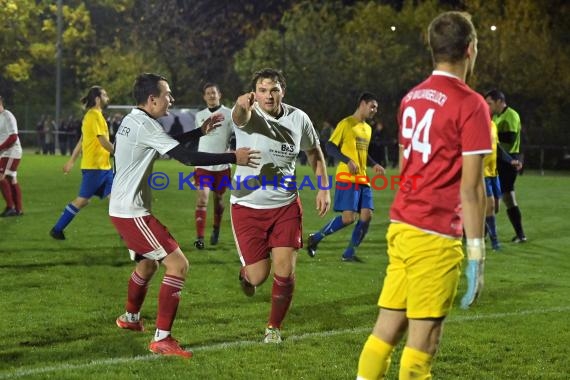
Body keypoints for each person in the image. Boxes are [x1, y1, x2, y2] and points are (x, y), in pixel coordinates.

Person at [357, 12, 492, 379]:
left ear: (433, 50)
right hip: (434, 236)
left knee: (386, 332)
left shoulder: (412, 97)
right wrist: (477, 255)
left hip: (402, 227)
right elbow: (472, 187)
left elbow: (405, 167)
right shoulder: (471, 104)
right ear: (470, 49)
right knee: (422, 347)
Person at [110, 72, 258, 358]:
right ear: (152, 100)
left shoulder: (134, 120)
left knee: (147, 266)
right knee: (178, 265)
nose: (172, 100)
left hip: (122, 209)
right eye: (167, 94)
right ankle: (162, 339)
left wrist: (199, 133)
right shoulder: (144, 124)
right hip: (132, 212)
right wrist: (232, 157)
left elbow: (168, 143)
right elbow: (187, 158)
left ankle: (130, 319)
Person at [231, 68, 330, 344]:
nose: (268, 96)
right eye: (262, 90)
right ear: (254, 94)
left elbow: (314, 151)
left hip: (286, 206)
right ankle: (246, 274)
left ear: (282, 91)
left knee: (285, 270)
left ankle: (273, 327)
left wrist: (324, 187)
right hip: (247, 207)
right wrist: (240, 106)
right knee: (258, 276)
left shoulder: (299, 118)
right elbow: (239, 117)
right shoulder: (248, 113)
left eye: (273, 89)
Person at [306, 92, 384, 262]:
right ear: (362, 104)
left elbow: (363, 153)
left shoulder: (368, 129)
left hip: (363, 178)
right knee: (348, 218)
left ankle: (349, 254)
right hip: (347, 177)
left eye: (376, 108)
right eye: (372, 106)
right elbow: (330, 146)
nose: (374, 110)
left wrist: (374, 164)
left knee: (367, 216)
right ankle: (315, 238)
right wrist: (347, 160)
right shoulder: (346, 123)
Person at [49, 86, 114, 240]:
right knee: (82, 201)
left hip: (104, 167)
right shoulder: (93, 116)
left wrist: (71, 161)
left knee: (116, 200)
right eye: (105, 95)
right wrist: (117, 151)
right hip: (95, 168)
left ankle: (127, 234)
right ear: (98, 99)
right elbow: (102, 140)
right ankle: (57, 229)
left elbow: (82, 140)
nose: (107, 97)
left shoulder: (93, 115)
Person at [192, 82, 234, 250]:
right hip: (203, 165)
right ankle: (200, 238)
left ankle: (216, 229)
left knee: (219, 201)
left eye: (213, 93)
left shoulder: (229, 114)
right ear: (204, 97)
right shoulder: (199, 115)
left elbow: (236, 135)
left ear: (219, 95)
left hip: (222, 166)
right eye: (208, 93)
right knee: (202, 200)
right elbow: (197, 137)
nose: (211, 95)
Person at [484, 89, 527, 243]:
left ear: (499, 101)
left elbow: (510, 137)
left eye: (489, 103)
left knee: (497, 198)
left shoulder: (512, 115)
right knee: (505, 198)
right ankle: (520, 235)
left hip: (508, 161)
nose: (487, 106)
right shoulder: (496, 116)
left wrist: (488, 134)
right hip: (499, 160)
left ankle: (483, 233)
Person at [0, 95, 24, 217]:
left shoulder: (7, 115)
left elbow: (13, 137)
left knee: (2, 177)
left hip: (11, 151)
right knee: (11, 179)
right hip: (4, 152)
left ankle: (11, 207)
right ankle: (18, 209)